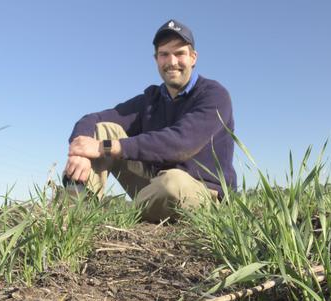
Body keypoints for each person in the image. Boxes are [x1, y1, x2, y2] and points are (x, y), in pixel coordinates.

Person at [64, 19, 236, 222]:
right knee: (103, 129)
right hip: (156, 183)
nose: (172, 61)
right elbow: (92, 119)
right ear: (156, 60)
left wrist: (104, 147)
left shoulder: (213, 95)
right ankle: (73, 215)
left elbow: (180, 144)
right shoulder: (151, 99)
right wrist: (80, 151)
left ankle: (117, 216)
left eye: (179, 53)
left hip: (203, 191)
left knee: (172, 183)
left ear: (193, 58)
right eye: (164, 54)